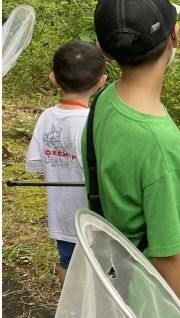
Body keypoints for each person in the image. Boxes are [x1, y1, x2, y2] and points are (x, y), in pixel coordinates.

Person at [85, 0, 180, 318]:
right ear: (174, 37)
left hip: (127, 274)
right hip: (170, 295)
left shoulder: (105, 100)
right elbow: (168, 255)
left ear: (105, 50)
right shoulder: (159, 143)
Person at [25, 41, 107, 286]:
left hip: (61, 216)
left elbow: (36, 162)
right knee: (99, 267)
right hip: (95, 218)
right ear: (101, 81)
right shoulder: (93, 123)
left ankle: (70, 307)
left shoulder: (46, 117)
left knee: (68, 262)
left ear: (53, 78)